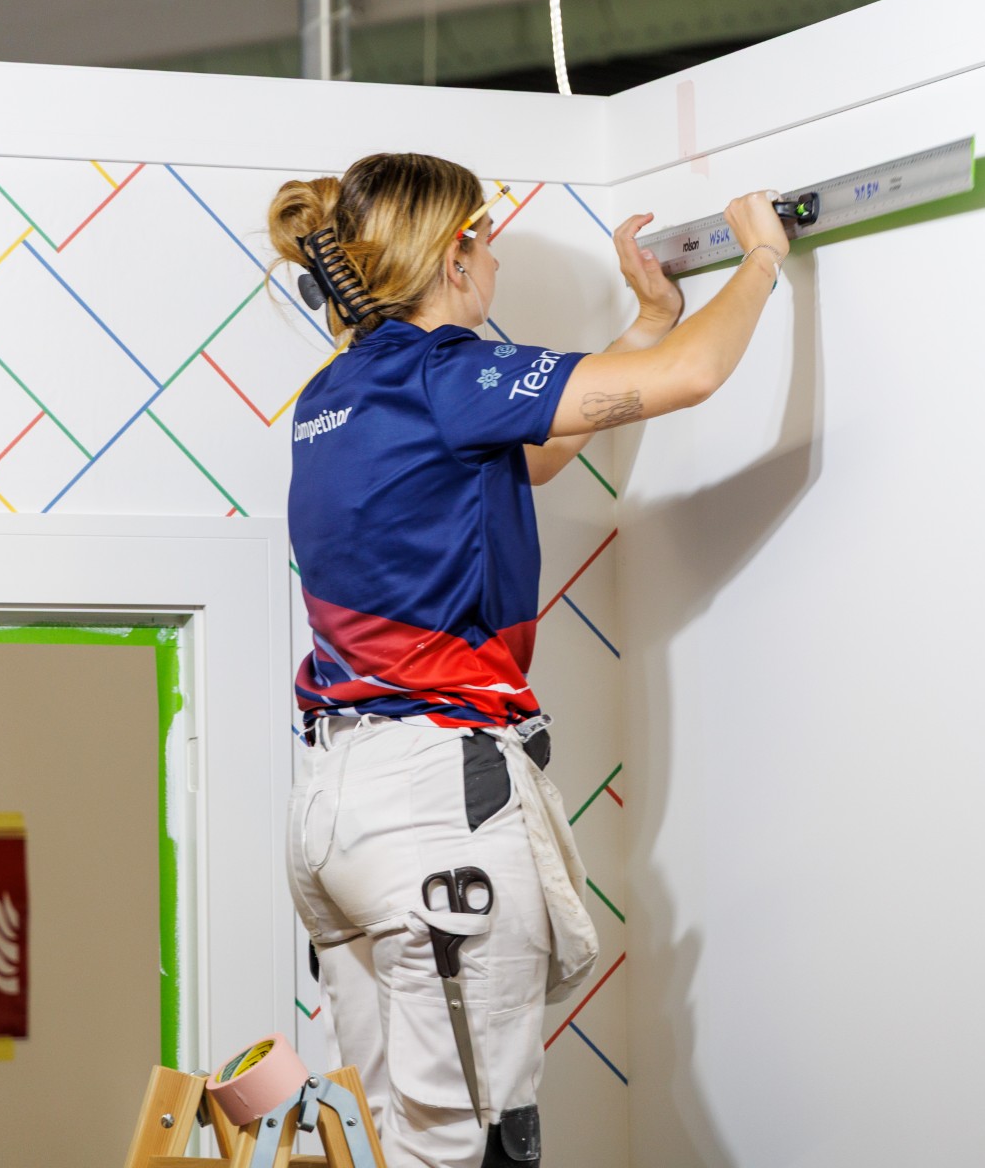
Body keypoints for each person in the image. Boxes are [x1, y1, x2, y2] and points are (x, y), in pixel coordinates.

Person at [274, 152, 788, 1168]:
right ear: (455, 250)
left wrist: (645, 319)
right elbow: (693, 377)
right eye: (487, 236)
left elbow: (530, 448)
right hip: (434, 803)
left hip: (336, 809)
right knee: (473, 1149)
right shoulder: (445, 373)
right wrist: (763, 258)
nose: (497, 257)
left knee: (384, 1143)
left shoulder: (332, 397)